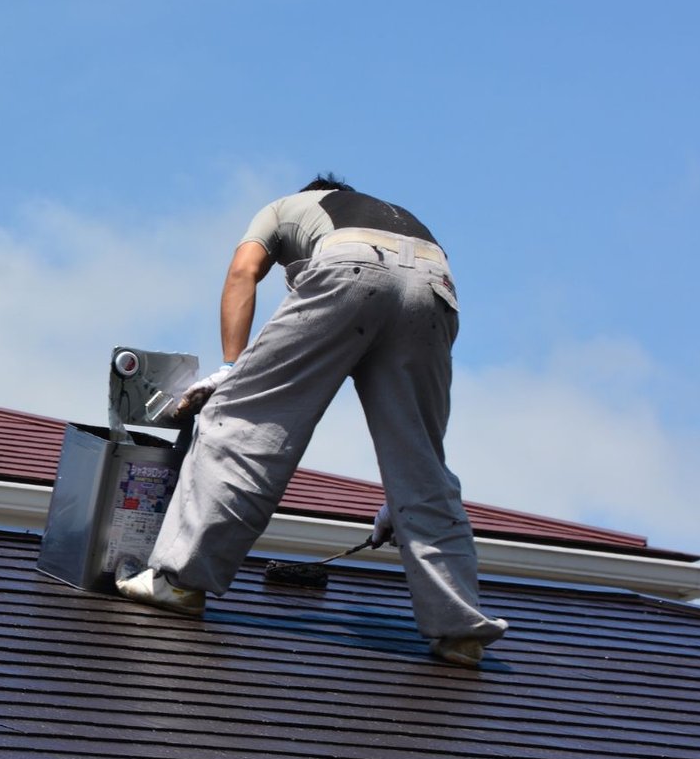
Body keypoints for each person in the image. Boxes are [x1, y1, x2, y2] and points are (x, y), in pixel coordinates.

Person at [116, 175, 508, 667]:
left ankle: (178, 582)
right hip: (435, 285)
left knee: (240, 418)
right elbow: (402, 315)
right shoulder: (393, 216)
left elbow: (243, 272)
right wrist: (401, 496)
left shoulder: (285, 207)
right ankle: (461, 631)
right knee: (422, 465)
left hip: (350, 270)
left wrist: (233, 369)